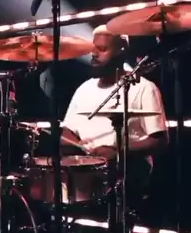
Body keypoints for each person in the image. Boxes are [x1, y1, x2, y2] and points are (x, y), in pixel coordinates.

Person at [60, 25, 169, 206]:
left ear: (122, 52)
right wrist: (82, 149)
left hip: (129, 173)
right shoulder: (84, 89)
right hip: (87, 174)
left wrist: (118, 151)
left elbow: (160, 140)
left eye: (102, 49)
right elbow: (66, 132)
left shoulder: (144, 88)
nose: (94, 54)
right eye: (93, 48)